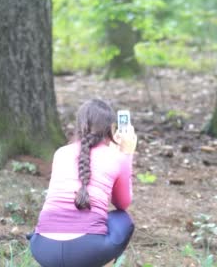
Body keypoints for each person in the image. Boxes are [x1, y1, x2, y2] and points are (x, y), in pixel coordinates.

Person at [29, 99, 137, 267]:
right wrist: (127, 154)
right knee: (122, 219)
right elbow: (122, 204)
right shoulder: (117, 159)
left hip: (43, 248)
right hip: (86, 251)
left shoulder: (61, 153)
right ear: (110, 128)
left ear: (79, 125)